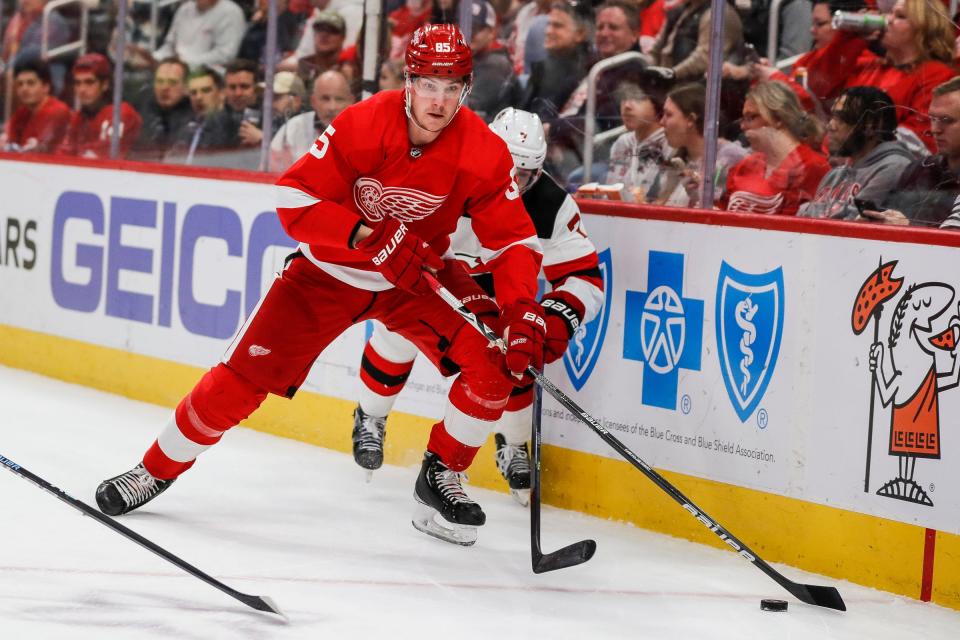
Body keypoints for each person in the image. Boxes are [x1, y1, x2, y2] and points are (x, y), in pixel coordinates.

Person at [94, 24, 547, 548]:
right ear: (408, 81)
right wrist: (366, 235)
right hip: (326, 275)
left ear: (467, 89)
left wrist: (521, 310)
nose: (439, 101)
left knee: (496, 366)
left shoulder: (483, 149)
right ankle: (153, 470)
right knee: (238, 384)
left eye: (452, 88)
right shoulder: (363, 122)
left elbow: (515, 241)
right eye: (428, 84)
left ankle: (441, 474)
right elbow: (293, 201)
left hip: (414, 279)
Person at [348, 107, 603, 504]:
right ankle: (371, 415)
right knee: (398, 335)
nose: (515, 184)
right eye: (508, 170)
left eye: (526, 175)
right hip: (432, 272)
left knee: (514, 357)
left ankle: (514, 444)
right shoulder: (440, 176)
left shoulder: (549, 204)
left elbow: (582, 274)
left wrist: (556, 317)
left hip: (501, 288)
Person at [804, 0, 955, 154]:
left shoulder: (936, 75)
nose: (887, 19)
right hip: (837, 162)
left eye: (900, 16)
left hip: (878, 168)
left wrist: (853, 146)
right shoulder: (869, 65)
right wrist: (850, 39)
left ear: (925, 30)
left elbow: (919, 140)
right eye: (889, 13)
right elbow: (819, 85)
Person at [798, 86, 915, 220]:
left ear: (870, 126)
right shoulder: (835, 174)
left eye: (841, 118)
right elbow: (803, 220)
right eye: (832, 117)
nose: (830, 125)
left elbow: (851, 228)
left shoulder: (893, 168)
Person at [722, 81, 829, 215]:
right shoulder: (745, 165)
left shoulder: (813, 167)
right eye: (743, 119)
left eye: (751, 117)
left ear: (779, 118)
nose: (743, 127)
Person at [868, 78, 960, 228]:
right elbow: (888, 215)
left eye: (946, 120)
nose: (935, 129)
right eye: (932, 119)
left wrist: (910, 227)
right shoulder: (919, 170)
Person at [653, 82, 747, 207]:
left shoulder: (730, 158)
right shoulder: (676, 157)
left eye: (668, 115)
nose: (661, 122)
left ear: (691, 119)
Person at [58, 54, 142, 159]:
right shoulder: (78, 117)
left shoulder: (122, 114)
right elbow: (63, 156)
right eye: (77, 83)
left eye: (89, 82)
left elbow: (102, 159)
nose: (82, 89)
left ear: (105, 84)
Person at [270, 69, 356, 171]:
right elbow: (273, 174)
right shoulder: (292, 128)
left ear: (351, 101)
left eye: (339, 99)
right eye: (325, 99)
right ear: (313, 101)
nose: (332, 107)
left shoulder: (363, 133)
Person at [605, 83, 673, 201]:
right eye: (624, 99)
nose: (626, 106)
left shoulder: (670, 144)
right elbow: (610, 195)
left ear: (657, 103)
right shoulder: (622, 142)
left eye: (637, 98)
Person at [152, 0, 246, 72]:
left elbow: (225, 56)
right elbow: (169, 46)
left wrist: (183, 63)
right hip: (175, 71)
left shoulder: (231, 12)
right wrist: (153, 58)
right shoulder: (184, 9)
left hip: (209, 75)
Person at [1, 58, 71, 153]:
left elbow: (39, 152)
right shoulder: (23, 111)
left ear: (46, 87)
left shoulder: (58, 111)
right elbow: (7, 141)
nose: (24, 89)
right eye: (20, 84)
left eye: (31, 83)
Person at [132, 59, 194, 161]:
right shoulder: (141, 108)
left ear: (186, 87)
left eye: (172, 82)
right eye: (160, 81)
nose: (164, 87)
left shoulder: (195, 114)